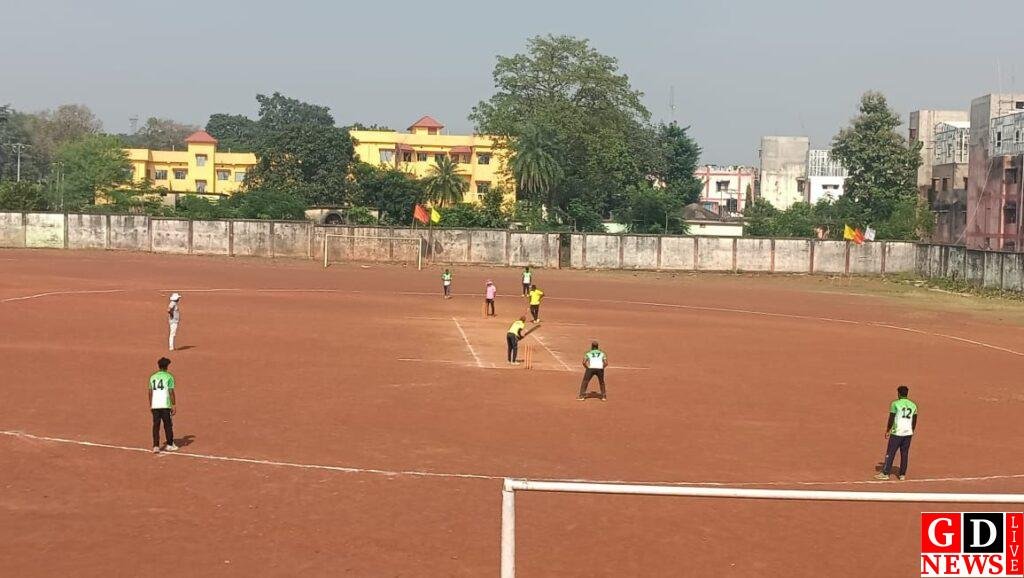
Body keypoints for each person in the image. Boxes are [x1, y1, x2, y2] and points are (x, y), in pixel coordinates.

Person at [875, 385, 918, 481]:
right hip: (908, 433)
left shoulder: (895, 404)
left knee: (890, 453)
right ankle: (902, 474)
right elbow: (914, 420)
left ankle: (885, 473)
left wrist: (888, 430)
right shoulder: (913, 405)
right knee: (904, 453)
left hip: (897, 432)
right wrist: (911, 430)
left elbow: (891, 418)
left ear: (898, 394)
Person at [149, 357, 178, 453]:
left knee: (156, 426)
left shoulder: (153, 377)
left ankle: (156, 446)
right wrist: (173, 404)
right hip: (165, 404)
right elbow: (171, 391)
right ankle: (170, 444)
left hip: (155, 405)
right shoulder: (169, 377)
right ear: (167, 366)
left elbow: (150, 392)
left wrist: (151, 404)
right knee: (168, 425)